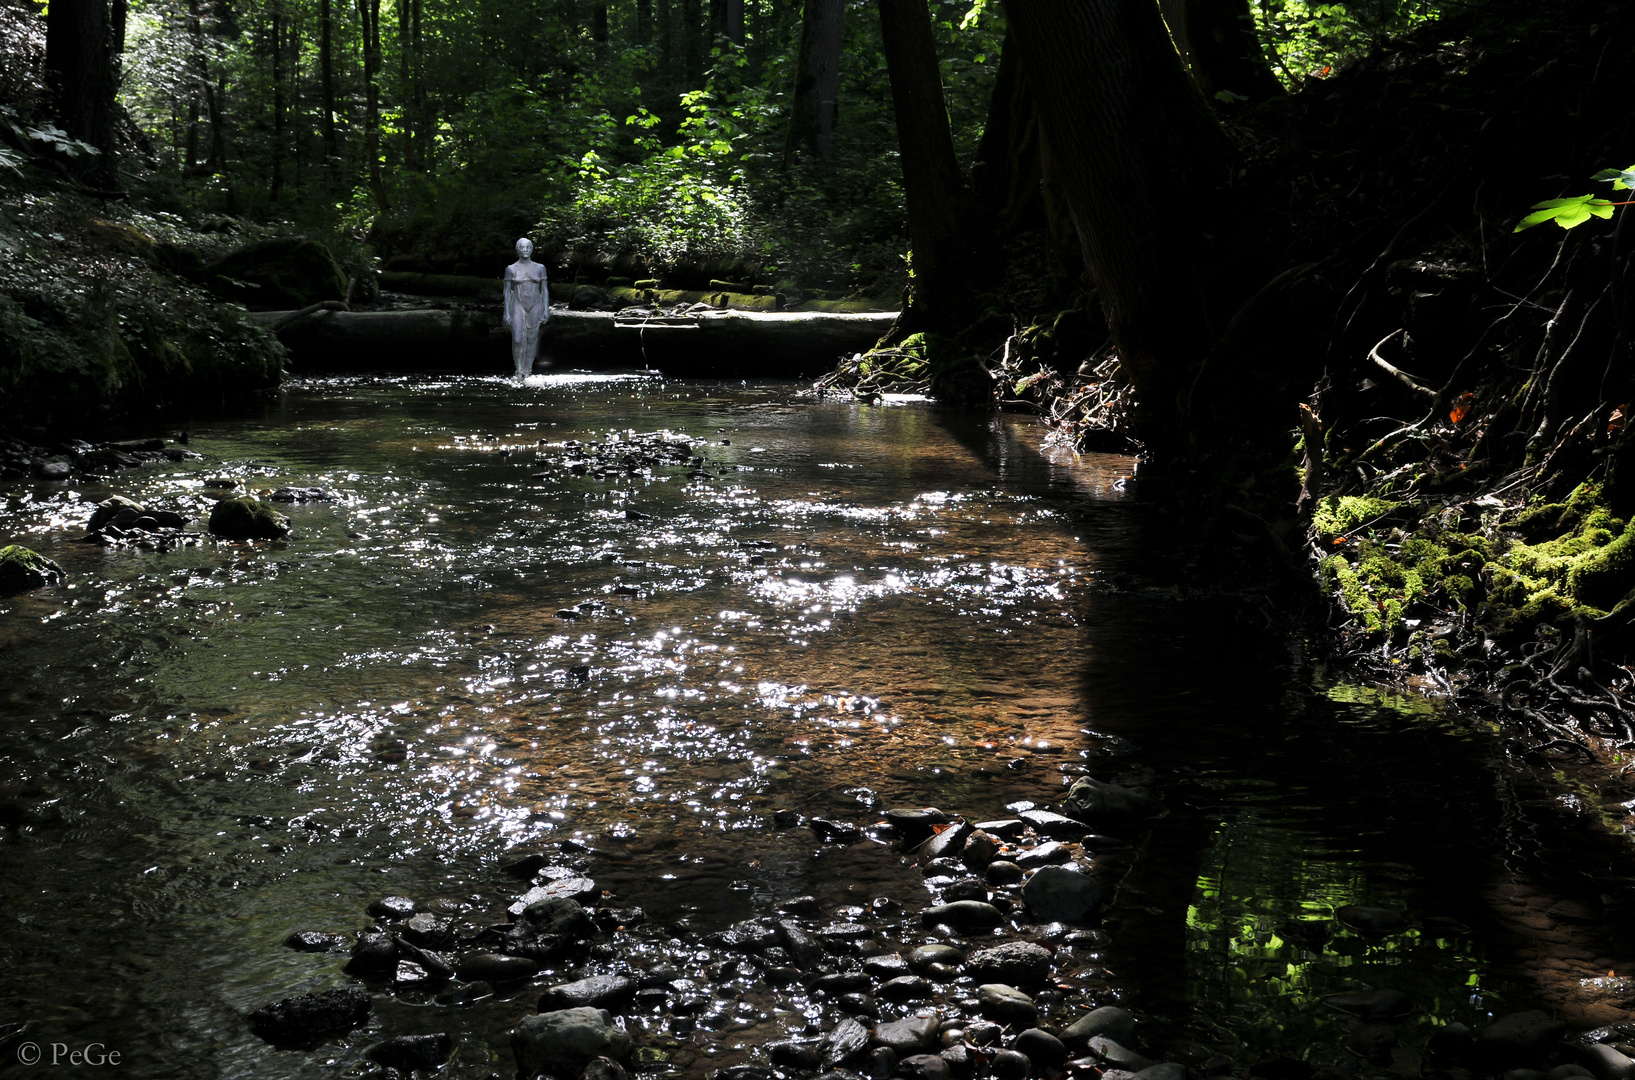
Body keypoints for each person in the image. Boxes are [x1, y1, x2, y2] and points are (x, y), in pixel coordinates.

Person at [503, 238, 549, 378]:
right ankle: (519, 370)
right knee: (517, 339)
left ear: (532, 249)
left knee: (531, 338)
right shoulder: (511, 269)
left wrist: (546, 308)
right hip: (518, 304)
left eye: (528, 247)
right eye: (522, 247)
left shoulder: (540, 268)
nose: (525, 250)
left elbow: (544, 290)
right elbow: (506, 291)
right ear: (517, 249)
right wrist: (506, 312)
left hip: (536, 304)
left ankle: (527, 370)